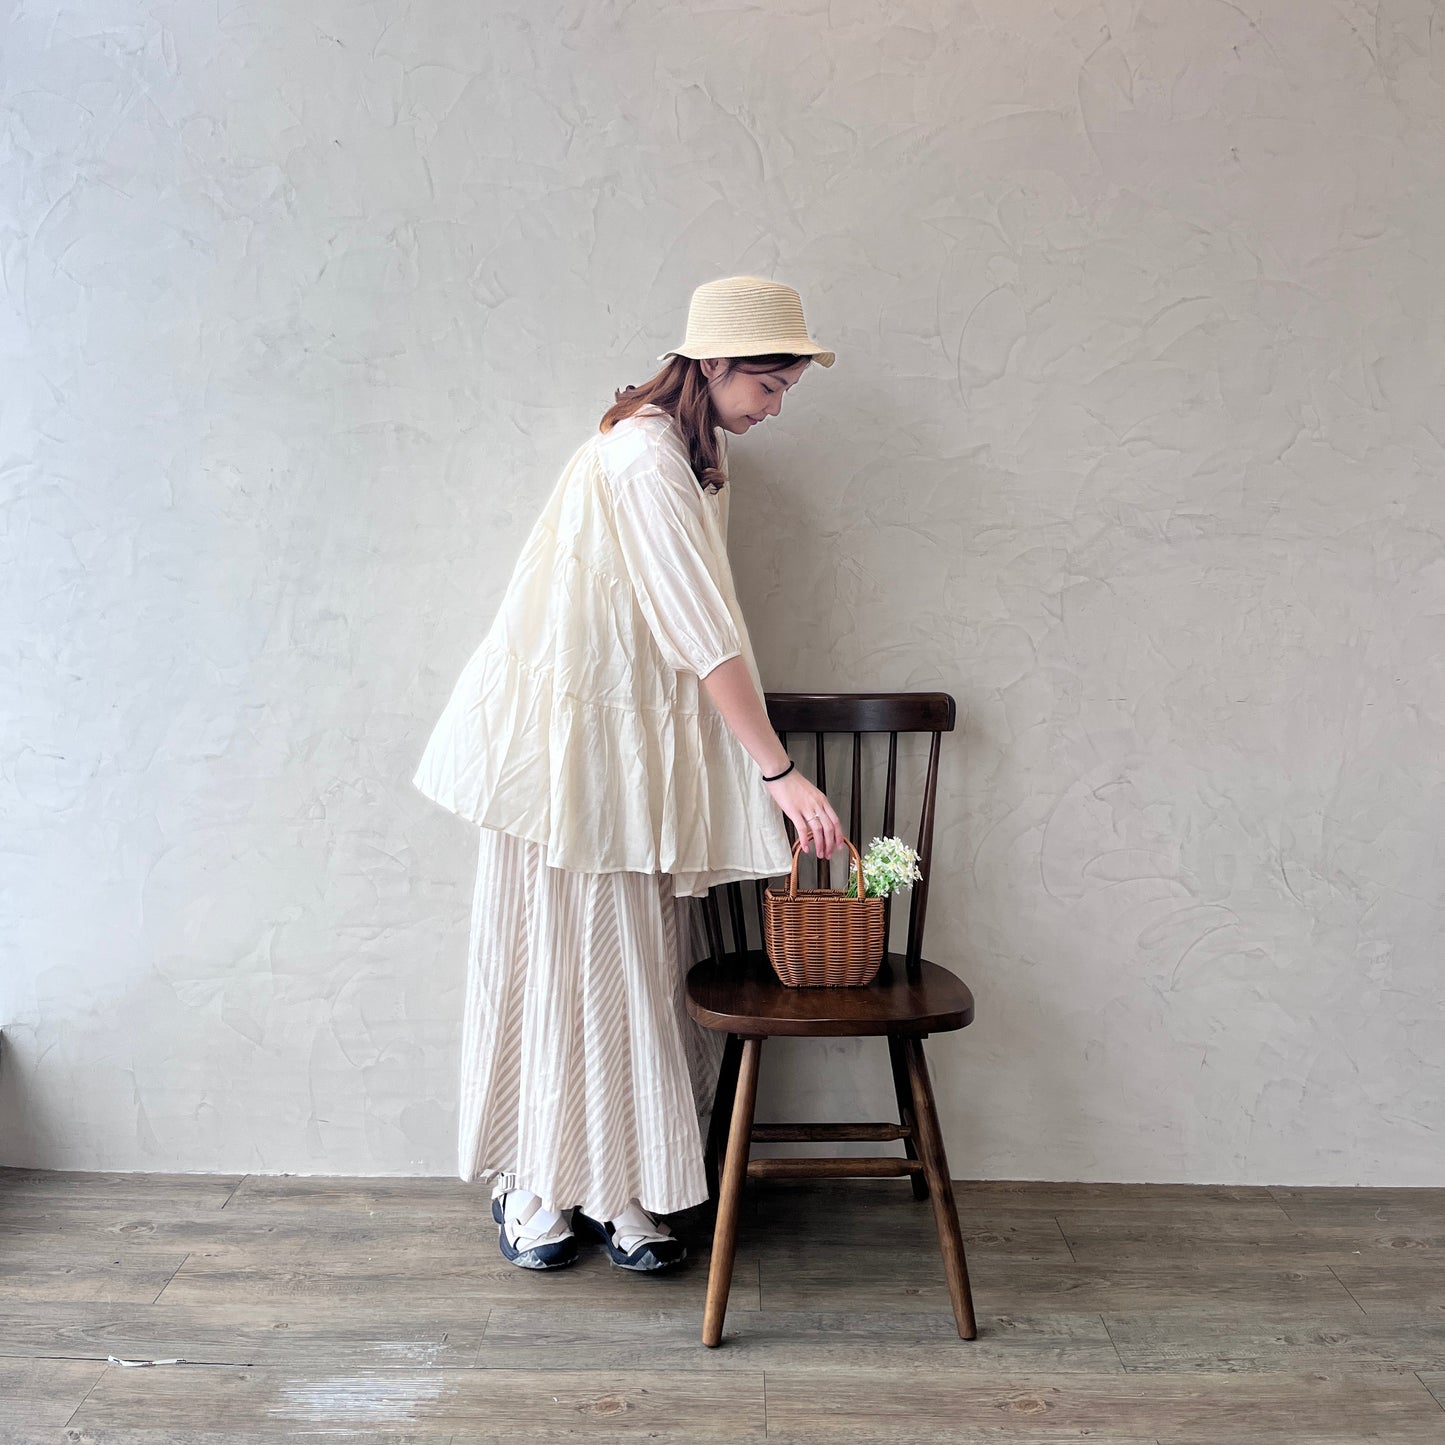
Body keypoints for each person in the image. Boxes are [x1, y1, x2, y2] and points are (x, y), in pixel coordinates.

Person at [411, 276, 844, 1272]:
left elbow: (692, 626)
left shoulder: (695, 453)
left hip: (623, 750)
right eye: (769, 384)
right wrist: (775, 769)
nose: (775, 406)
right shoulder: (644, 457)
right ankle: (537, 1185)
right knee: (556, 960)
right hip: (569, 753)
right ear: (715, 365)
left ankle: (627, 1187)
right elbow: (704, 632)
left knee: (632, 967)